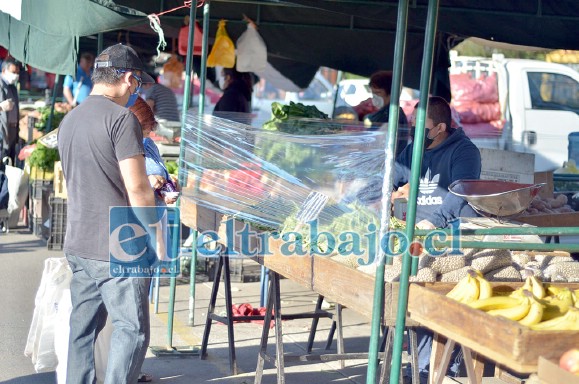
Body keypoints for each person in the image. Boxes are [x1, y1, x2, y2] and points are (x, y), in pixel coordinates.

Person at [57, 43, 156, 384]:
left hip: (78, 242)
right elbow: (138, 189)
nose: (136, 90)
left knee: (82, 330)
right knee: (131, 329)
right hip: (117, 245)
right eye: (138, 83)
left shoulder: (70, 119)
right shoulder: (122, 119)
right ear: (129, 78)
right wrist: (157, 233)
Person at [395, 96, 481, 384]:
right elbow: (391, 176)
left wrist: (434, 221)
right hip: (415, 236)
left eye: (421, 127)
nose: (414, 132)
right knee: (400, 292)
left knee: (430, 296)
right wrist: (369, 192)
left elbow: (460, 193)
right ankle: (415, 364)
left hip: (453, 238)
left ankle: (434, 369)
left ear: (440, 127)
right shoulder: (413, 151)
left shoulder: (465, 151)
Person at [364, 71, 409, 155]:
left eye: (378, 93)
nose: (374, 97)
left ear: (391, 94)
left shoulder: (394, 116)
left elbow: (375, 144)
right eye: (373, 93)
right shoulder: (382, 114)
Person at [0, 59, 20, 165]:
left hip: (12, 129)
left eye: (17, 72)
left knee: (10, 162)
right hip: (2, 131)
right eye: (13, 72)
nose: (16, 75)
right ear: (4, 71)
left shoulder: (12, 87)